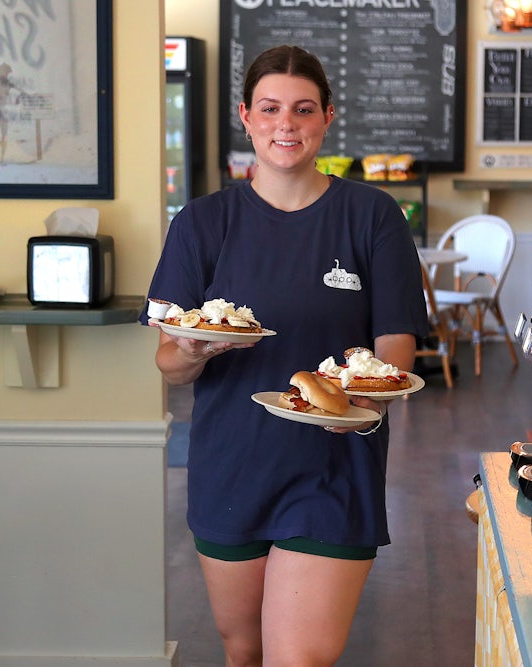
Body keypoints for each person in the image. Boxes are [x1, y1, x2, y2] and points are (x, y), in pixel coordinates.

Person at [141, 45, 428, 667]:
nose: (285, 124)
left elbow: (395, 345)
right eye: (269, 109)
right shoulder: (201, 223)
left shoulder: (372, 216)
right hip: (231, 465)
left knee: (297, 658)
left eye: (302, 110)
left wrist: (360, 399)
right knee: (243, 650)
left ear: (327, 116)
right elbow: (167, 360)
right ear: (246, 116)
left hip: (335, 463)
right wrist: (191, 348)